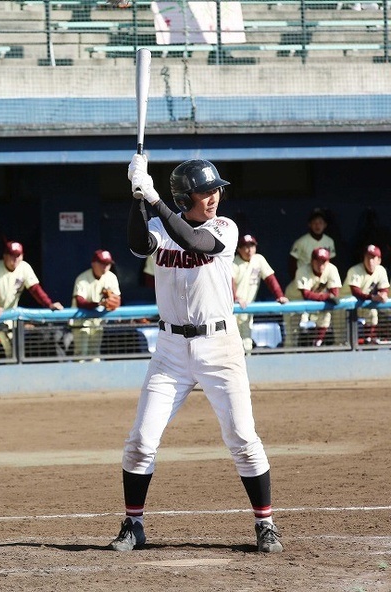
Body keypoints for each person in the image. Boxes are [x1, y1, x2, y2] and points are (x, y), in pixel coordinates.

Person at [110, 155, 283, 554]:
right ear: (185, 197)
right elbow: (138, 244)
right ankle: (133, 524)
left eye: (215, 190)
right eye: (205, 192)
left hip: (219, 346)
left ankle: (266, 523)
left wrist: (154, 199)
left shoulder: (224, 227)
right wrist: (137, 196)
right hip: (170, 351)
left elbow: (193, 241)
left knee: (242, 437)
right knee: (140, 441)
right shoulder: (160, 225)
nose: (213, 197)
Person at [0, 241, 63, 358]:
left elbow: (35, 289)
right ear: (5, 256)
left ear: (22, 256)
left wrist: (49, 304)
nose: (15, 259)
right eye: (12, 255)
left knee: (12, 351)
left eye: (18, 255)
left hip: (8, 314)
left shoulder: (24, 267)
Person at [232, 234, 288, 354]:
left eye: (252, 246)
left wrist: (279, 295)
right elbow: (229, 282)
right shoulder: (233, 262)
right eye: (246, 247)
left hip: (247, 309)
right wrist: (235, 298)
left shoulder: (258, 259)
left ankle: (247, 362)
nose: (249, 250)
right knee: (231, 342)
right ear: (239, 249)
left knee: (246, 341)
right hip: (232, 309)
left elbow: (270, 278)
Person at [284, 247, 342, 347]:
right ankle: (289, 354)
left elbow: (335, 293)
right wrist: (326, 296)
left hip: (316, 298)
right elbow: (306, 294)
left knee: (326, 316)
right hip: (293, 299)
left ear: (328, 261)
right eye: (317, 261)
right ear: (312, 261)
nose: (321, 265)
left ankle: (317, 343)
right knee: (292, 334)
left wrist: (326, 297)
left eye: (323, 261)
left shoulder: (332, 269)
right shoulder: (302, 271)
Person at [71, 249, 121, 361]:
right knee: (81, 353)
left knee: (95, 353)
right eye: (102, 263)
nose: (105, 267)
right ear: (94, 263)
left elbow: (117, 300)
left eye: (108, 264)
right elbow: (80, 302)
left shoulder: (111, 277)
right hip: (81, 320)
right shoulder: (82, 278)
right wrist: (100, 303)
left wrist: (113, 302)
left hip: (98, 320)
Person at [338, 244, 389, 344]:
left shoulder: (381, 270)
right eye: (367, 257)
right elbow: (356, 292)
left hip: (362, 303)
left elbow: (384, 288)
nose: (370, 261)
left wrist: (383, 295)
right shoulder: (354, 270)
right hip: (342, 306)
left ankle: (368, 340)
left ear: (379, 260)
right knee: (341, 339)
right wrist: (373, 297)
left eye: (373, 258)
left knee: (372, 314)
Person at [289, 208, 336, 279]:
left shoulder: (329, 241)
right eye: (314, 222)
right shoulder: (301, 242)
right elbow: (292, 263)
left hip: (322, 279)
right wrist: (296, 278)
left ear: (325, 225)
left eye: (320, 222)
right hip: (304, 278)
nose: (317, 225)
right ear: (309, 224)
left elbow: (332, 262)